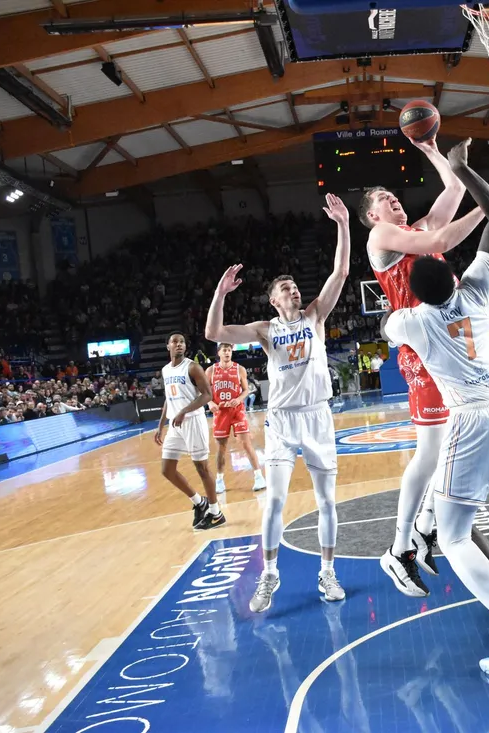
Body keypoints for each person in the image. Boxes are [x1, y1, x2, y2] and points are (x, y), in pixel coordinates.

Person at [381, 138, 489, 675]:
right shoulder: (478, 290)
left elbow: (390, 327)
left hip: (472, 422)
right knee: (453, 512)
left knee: (451, 536)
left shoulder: (412, 322)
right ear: (453, 276)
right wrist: (461, 169)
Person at [361, 133, 489, 598]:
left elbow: (450, 190)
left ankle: (425, 530)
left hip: (437, 345)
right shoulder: (382, 237)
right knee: (431, 451)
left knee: (448, 444)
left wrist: (430, 148)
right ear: (372, 215)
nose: (393, 200)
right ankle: (399, 548)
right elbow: (447, 236)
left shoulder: (415, 229)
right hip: (421, 346)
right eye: (384, 200)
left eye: (394, 195)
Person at [204, 193, 352, 613]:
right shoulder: (264, 329)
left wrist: (342, 224)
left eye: (295, 286)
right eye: (286, 288)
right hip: (282, 423)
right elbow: (214, 333)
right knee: (274, 502)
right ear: (274, 300)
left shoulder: (315, 316)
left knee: (327, 501)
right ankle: (269, 575)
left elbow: (341, 271)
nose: (294, 290)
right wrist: (220, 291)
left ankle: (327, 572)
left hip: (318, 417)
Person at [155, 332, 225, 530]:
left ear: (185, 347)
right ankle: (199, 502)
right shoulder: (165, 370)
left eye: (182, 342)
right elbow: (168, 399)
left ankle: (215, 512)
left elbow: (207, 395)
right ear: (168, 346)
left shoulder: (193, 367)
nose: (179, 344)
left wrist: (185, 411)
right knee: (167, 470)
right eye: (174, 341)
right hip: (175, 425)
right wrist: (160, 425)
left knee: (202, 468)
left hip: (193, 421)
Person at [206, 342, 266, 493]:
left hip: (237, 411)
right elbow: (205, 393)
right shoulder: (211, 370)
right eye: (224, 350)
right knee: (221, 447)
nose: (227, 353)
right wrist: (210, 402)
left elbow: (246, 390)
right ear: (218, 353)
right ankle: (219, 480)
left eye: (229, 350)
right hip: (220, 412)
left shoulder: (240, 369)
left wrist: (239, 399)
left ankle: (259, 476)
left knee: (246, 444)